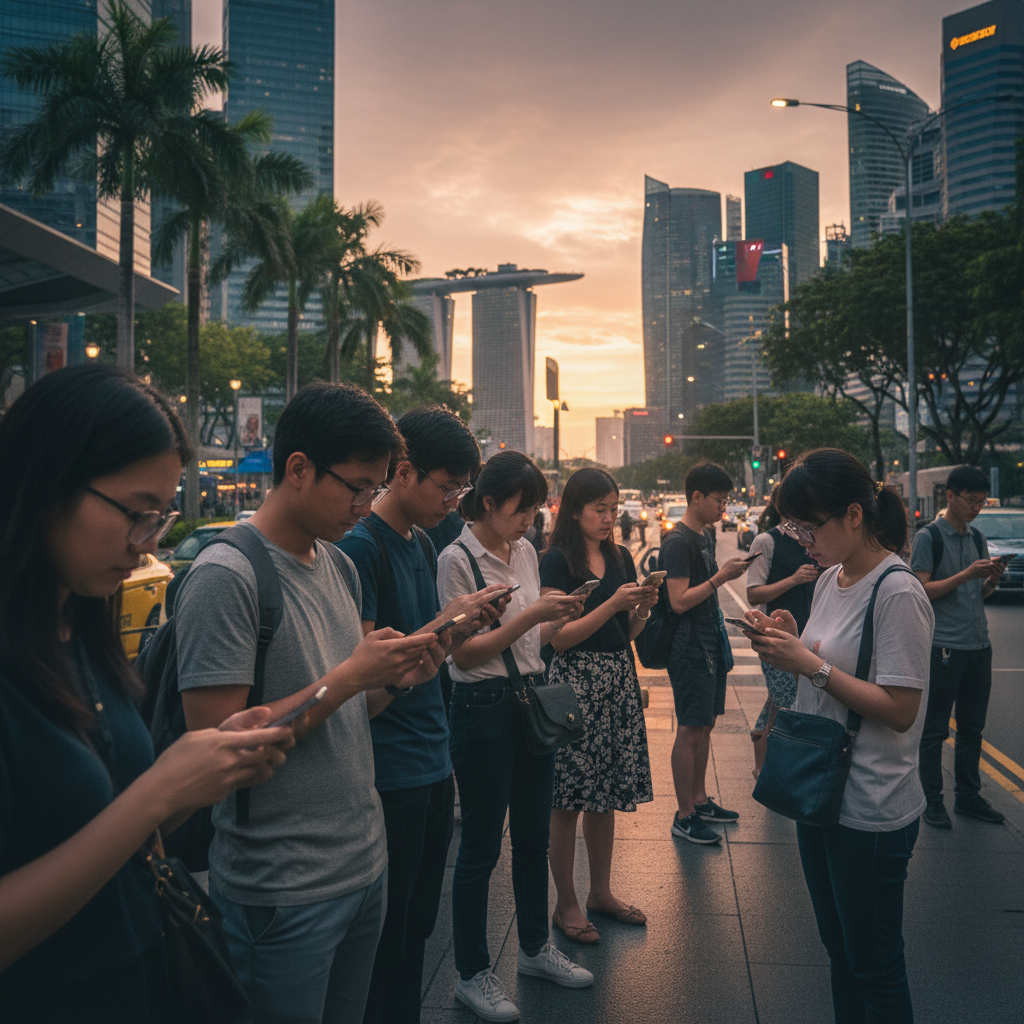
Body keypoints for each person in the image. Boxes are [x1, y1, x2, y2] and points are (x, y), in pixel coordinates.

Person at [0, 365, 292, 1022]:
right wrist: (157, 791)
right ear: (45, 485)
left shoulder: (81, 626)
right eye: (136, 514)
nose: (149, 544)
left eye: (160, 516)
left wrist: (199, 779)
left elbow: (115, 833)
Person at [176, 382, 447, 1024]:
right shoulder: (227, 576)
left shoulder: (338, 566)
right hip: (282, 887)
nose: (365, 505)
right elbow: (215, 752)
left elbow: (353, 710)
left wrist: (396, 674)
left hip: (362, 862)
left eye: (375, 489)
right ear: (298, 468)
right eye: (356, 486)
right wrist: (352, 676)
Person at [744, 448, 933, 1024]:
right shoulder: (832, 578)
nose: (802, 538)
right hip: (821, 794)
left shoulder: (898, 591)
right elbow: (833, 655)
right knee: (840, 953)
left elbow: (900, 710)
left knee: (875, 965)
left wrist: (810, 664)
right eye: (794, 526)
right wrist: (792, 636)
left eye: (810, 525)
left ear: (854, 515)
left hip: (871, 808)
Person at [338, 406, 510, 1024]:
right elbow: (367, 678)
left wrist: (456, 623)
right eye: (447, 487)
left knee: (417, 929)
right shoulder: (361, 549)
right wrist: (445, 625)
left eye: (463, 490)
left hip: (431, 761)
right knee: (390, 939)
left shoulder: (418, 540)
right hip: (391, 770)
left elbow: (426, 649)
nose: (453, 502)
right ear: (403, 472)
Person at [437, 451, 591, 1024]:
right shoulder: (456, 559)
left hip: (531, 699)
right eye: (520, 510)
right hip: (481, 707)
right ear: (487, 503)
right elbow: (464, 653)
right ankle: (472, 973)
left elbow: (537, 641)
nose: (529, 521)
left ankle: (532, 950)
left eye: (533, 510)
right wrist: (529, 619)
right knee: (479, 846)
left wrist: (559, 614)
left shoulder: (524, 551)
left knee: (532, 839)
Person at [540, 469, 659, 944]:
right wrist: (612, 605)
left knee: (606, 793)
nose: (610, 517)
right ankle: (566, 903)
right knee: (568, 797)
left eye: (614, 509)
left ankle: (601, 892)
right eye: (600, 509)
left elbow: (626, 634)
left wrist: (643, 606)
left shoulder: (622, 556)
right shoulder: (556, 561)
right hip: (575, 684)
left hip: (617, 678)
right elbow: (560, 639)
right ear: (575, 509)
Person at [912, 465, 1006, 828]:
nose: (976, 507)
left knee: (972, 728)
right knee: (935, 729)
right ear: (949, 496)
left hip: (979, 644)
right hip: (944, 646)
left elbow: (978, 596)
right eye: (971, 500)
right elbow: (919, 590)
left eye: (982, 501)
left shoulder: (977, 537)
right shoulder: (929, 537)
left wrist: (991, 580)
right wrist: (966, 573)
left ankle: (968, 796)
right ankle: (931, 800)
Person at [663, 462, 750, 844]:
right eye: (719, 500)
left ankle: (699, 800)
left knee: (706, 724)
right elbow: (678, 601)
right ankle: (684, 814)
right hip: (688, 647)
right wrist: (721, 578)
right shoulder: (677, 542)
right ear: (696, 497)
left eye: (727, 501)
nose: (724, 508)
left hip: (711, 642)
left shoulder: (707, 536)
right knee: (689, 728)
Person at [745, 490, 820, 778]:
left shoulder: (817, 540)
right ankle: (770, 767)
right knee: (787, 698)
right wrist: (793, 579)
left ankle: (762, 755)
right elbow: (753, 593)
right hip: (774, 636)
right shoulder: (766, 541)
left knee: (781, 700)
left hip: (811, 635)